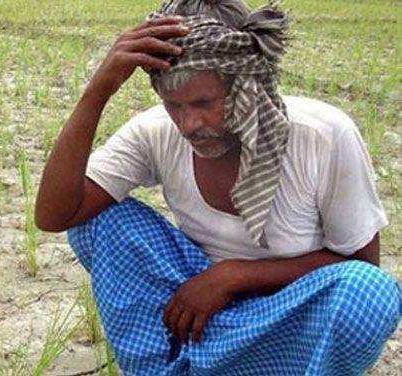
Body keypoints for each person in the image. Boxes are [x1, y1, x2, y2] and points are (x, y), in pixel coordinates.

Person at [35, 0, 402, 374]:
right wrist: (98, 90)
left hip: (286, 315)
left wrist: (235, 276)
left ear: (246, 84)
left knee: (367, 294)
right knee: (97, 221)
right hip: (195, 313)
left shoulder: (322, 137)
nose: (189, 123)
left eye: (204, 102)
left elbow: (362, 265)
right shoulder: (155, 133)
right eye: (173, 106)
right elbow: (55, 213)